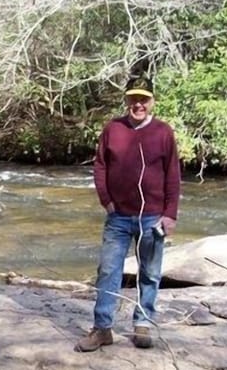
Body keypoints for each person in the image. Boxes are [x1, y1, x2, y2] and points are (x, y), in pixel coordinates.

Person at [75, 75, 181, 352]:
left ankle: (142, 324)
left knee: (150, 273)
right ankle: (102, 328)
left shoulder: (163, 132)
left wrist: (170, 213)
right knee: (108, 270)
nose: (138, 104)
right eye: (133, 99)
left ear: (152, 101)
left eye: (143, 99)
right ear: (126, 100)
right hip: (118, 217)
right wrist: (107, 201)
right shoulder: (113, 129)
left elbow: (173, 175)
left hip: (152, 217)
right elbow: (100, 166)